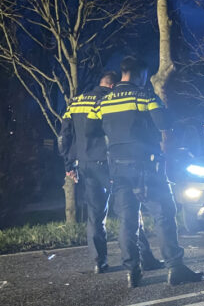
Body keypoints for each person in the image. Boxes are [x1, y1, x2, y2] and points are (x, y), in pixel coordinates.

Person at [87, 57, 202, 288]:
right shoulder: (144, 96)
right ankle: (175, 267)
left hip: (118, 169)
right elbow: (164, 123)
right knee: (163, 213)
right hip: (147, 167)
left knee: (128, 221)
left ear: (123, 72)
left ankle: (132, 272)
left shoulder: (104, 101)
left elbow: (90, 129)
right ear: (140, 74)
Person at [59, 71, 162, 274]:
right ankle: (142, 259)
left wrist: (68, 164)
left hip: (85, 165)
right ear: (113, 86)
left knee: (95, 215)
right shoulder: (108, 101)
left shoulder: (76, 102)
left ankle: (99, 262)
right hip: (109, 163)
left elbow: (64, 136)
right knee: (128, 209)